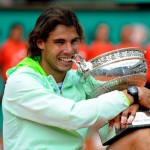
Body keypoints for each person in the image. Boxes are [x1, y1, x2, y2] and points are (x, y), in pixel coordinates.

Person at [2, 4, 150, 150]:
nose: (69, 50)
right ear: (40, 42)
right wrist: (132, 94)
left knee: (145, 138)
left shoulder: (77, 78)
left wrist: (135, 100)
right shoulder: (21, 81)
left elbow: (125, 96)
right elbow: (72, 115)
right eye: (59, 42)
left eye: (74, 41)